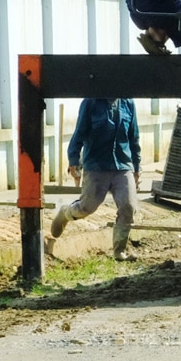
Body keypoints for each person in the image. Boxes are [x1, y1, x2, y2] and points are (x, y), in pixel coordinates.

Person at [50, 97, 142, 260]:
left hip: (122, 166)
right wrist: (73, 161)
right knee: (87, 207)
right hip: (96, 166)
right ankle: (66, 212)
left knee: (128, 207)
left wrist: (137, 167)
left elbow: (133, 137)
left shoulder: (128, 103)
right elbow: (79, 134)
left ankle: (119, 250)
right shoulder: (91, 103)